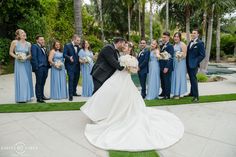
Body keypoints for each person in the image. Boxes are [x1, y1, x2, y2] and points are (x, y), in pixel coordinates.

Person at [80, 40, 184, 151]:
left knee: (122, 98)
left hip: (124, 79)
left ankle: (116, 114)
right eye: (124, 45)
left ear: (129, 49)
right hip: (115, 78)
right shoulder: (117, 54)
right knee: (106, 94)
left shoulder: (131, 58)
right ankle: (104, 113)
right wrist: (124, 66)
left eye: (126, 46)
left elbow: (134, 70)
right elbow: (115, 64)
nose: (124, 47)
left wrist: (128, 67)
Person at [9, 29, 34, 103]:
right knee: (22, 79)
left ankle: (27, 97)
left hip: (26, 63)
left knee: (27, 79)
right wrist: (17, 57)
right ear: (18, 35)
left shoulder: (29, 44)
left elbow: (30, 54)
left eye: (24, 32)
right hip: (19, 63)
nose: (24, 33)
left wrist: (25, 57)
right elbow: (10, 52)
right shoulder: (14, 42)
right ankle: (21, 98)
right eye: (22, 32)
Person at [186, 29, 205, 102]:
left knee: (194, 80)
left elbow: (202, 55)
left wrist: (196, 62)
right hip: (188, 64)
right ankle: (191, 93)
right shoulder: (190, 42)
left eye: (194, 33)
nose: (193, 34)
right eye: (192, 33)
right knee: (191, 79)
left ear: (198, 35)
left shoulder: (200, 43)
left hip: (194, 65)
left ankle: (196, 97)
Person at [31, 35, 50, 103]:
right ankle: (38, 98)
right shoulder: (34, 46)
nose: (43, 41)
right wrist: (36, 67)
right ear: (37, 40)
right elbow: (34, 57)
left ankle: (42, 95)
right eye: (41, 40)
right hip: (39, 67)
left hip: (45, 67)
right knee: (39, 82)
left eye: (43, 39)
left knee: (43, 82)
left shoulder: (44, 47)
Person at [63, 34, 81, 101]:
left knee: (76, 79)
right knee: (71, 79)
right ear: (74, 39)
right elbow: (64, 54)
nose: (79, 41)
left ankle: (74, 92)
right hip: (70, 66)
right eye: (77, 40)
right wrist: (69, 57)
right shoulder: (67, 46)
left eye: (79, 40)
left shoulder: (79, 47)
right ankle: (70, 95)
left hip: (77, 66)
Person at [171, 32, 188, 99]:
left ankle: (178, 93)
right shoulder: (174, 45)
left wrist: (179, 56)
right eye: (175, 36)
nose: (176, 38)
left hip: (180, 62)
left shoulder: (182, 44)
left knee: (178, 76)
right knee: (174, 76)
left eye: (177, 37)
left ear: (180, 38)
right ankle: (175, 92)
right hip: (174, 63)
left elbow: (185, 54)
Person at [159, 32, 174, 99]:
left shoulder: (170, 46)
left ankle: (167, 95)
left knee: (167, 81)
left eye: (164, 37)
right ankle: (163, 92)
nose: (163, 38)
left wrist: (167, 67)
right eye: (163, 37)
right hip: (161, 66)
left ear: (168, 38)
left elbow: (170, 57)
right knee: (162, 80)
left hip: (166, 67)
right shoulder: (162, 45)